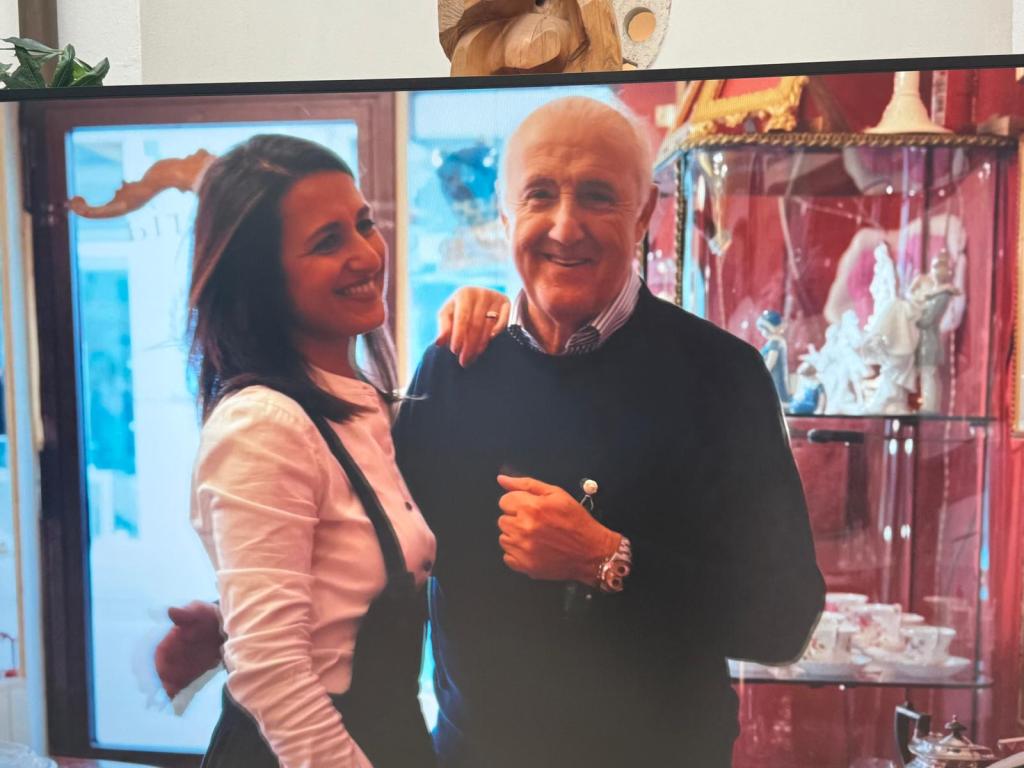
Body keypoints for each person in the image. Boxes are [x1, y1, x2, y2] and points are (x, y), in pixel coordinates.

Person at [160, 98, 825, 767]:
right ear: (505, 214)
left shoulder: (722, 376)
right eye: (540, 195)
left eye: (598, 196)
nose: (567, 227)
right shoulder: (455, 366)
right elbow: (381, 550)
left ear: (646, 212)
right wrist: (243, 622)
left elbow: (785, 618)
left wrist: (609, 558)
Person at [183, 133, 507, 768]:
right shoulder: (263, 425)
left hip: (390, 734)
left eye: (365, 225)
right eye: (327, 241)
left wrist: (496, 309)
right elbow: (273, 672)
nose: (366, 253)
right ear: (262, 280)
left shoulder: (365, 403)